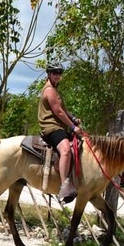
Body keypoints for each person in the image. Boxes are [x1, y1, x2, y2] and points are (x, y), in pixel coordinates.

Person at [38, 63, 82, 203]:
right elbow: (57, 112)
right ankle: (64, 186)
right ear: (49, 74)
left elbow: (62, 110)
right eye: (54, 72)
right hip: (51, 127)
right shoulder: (49, 90)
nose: (57, 75)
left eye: (59, 73)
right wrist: (73, 127)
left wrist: (73, 118)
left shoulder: (55, 90)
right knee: (65, 151)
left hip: (58, 126)